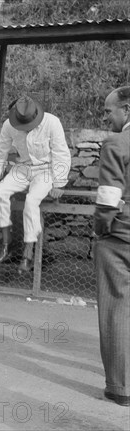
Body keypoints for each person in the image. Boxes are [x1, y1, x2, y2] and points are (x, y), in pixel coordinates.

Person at [0, 96, 71, 272]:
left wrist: (59, 183)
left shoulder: (52, 122)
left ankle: (28, 252)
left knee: (32, 201)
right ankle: (6, 242)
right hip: (22, 168)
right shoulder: (9, 125)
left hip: (45, 170)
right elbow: (1, 152)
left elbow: (61, 153)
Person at [93, 86, 130, 408]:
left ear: (126, 111)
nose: (106, 117)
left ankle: (119, 387)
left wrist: (101, 230)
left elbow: (108, 197)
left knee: (116, 311)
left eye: (109, 111)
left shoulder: (117, 143)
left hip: (120, 238)